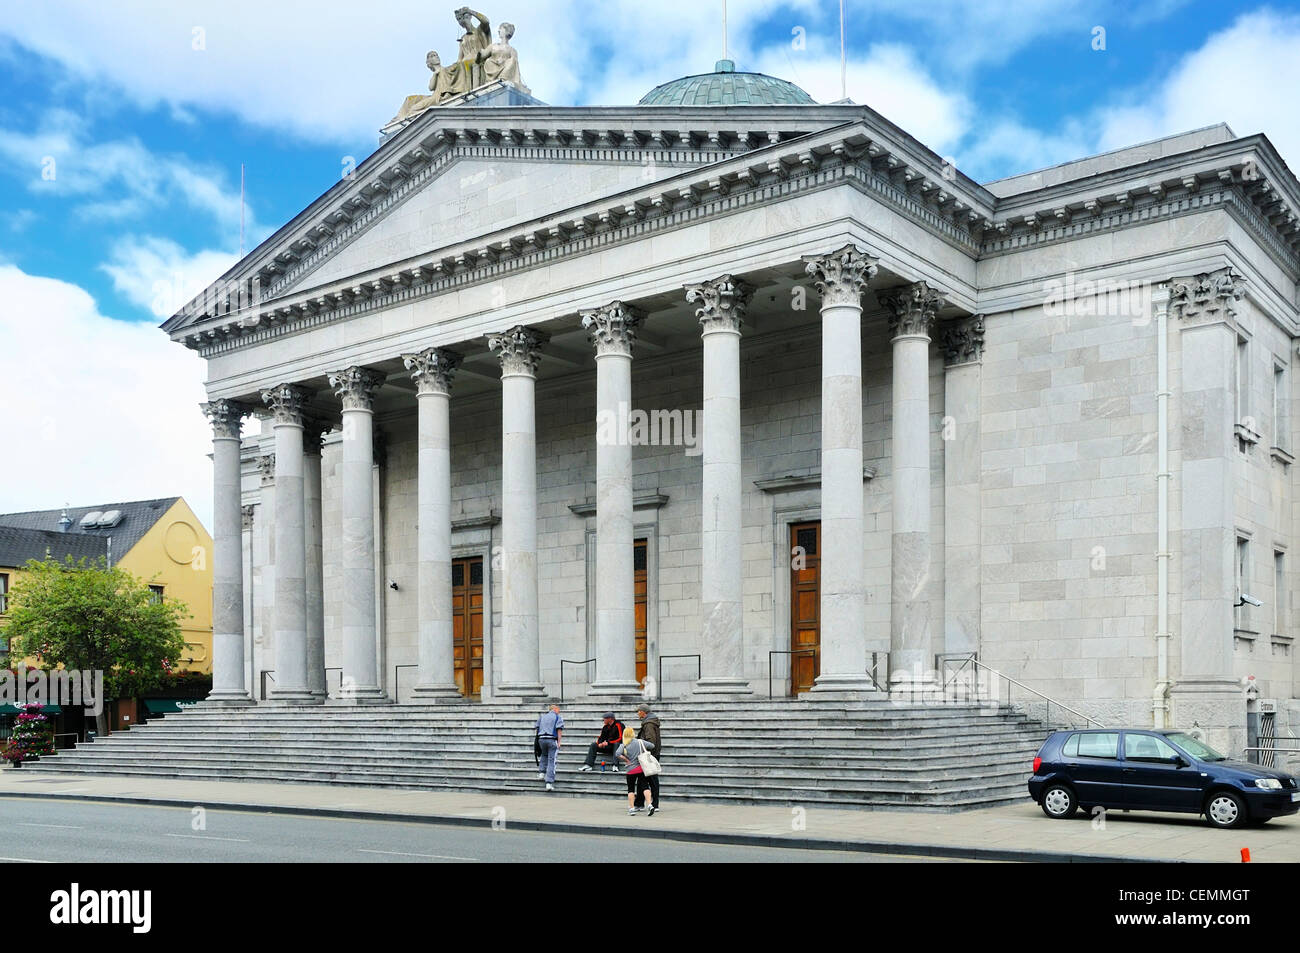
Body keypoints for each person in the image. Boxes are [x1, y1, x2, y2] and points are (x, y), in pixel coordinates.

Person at [615, 726, 656, 815]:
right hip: (641, 769)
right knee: (645, 787)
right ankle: (649, 805)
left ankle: (632, 808)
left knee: (631, 789)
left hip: (630, 770)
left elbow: (617, 754)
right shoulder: (639, 742)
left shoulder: (623, 745)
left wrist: (626, 760)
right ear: (633, 734)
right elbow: (652, 746)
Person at [635, 705, 662, 812]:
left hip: (649, 755)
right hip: (651, 754)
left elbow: (651, 742)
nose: (637, 713)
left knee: (649, 780)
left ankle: (651, 804)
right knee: (645, 779)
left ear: (643, 712)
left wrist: (639, 743)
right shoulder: (650, 722)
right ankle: (641, 803)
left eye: (638, 711)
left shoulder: (649, 724)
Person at [535, 702, 564, 792]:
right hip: (551, 739)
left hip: (541, 739)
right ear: (554, 709)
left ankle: (541, 773)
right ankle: (549, 782)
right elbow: (559, 730)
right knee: (552, 760)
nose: (559, 712)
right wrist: (559, 742)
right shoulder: (557, 717)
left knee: (544, 755)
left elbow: (537, 728)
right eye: (558, 710)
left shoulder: (542, 717)